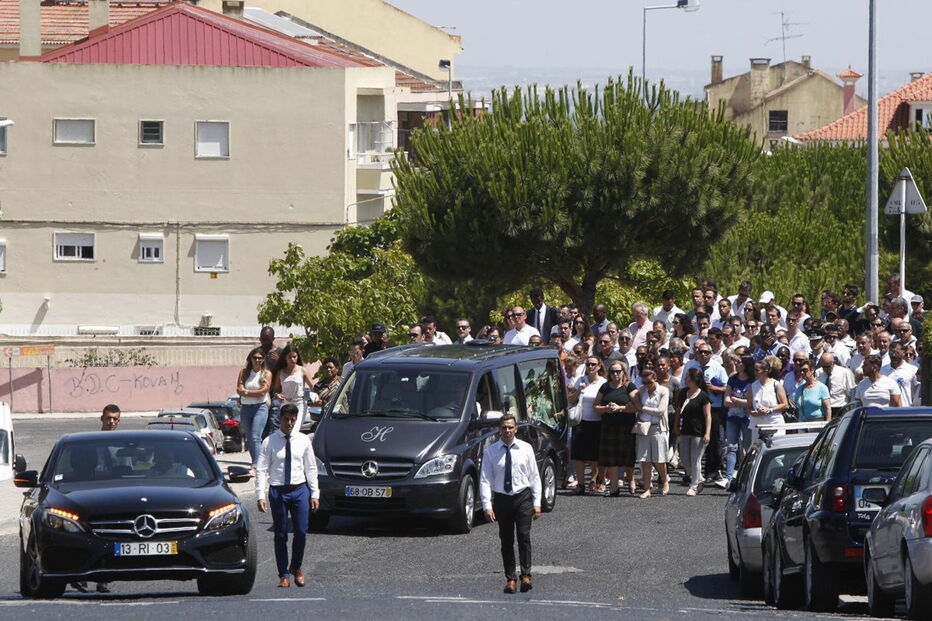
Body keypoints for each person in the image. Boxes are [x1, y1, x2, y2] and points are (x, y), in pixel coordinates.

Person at [256, 404, 320, 588]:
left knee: (301, 531)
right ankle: (283, 574)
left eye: (293, 419)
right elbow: (261, 469)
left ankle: (296, 567)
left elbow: (311, 467)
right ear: (280, 419)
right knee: (281, 534)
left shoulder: (303, 440)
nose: (290, 423)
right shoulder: (269, 442)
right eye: (286, 419)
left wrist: (315, 493)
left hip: (299, 489)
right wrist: (260, 494)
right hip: (278, 491)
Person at [479, 414, 541, 594]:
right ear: (500, 429)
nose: (507, 431)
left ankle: (526, 575)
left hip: (522, 496)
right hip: (502, 499)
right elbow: (485, 480)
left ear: (516, 429)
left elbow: (534, 477)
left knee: (523, 536)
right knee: (506, 540)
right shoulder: (491, 451)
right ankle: (510, 579)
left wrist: (537, 503)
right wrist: (486, 506)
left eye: (510, 427)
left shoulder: (526, 449)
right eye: (504, 427)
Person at [72, 405, 122, 593]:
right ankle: (80, 577)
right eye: (108, 418)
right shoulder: (90, 442)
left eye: (115, 419)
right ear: (101, 419)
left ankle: (103, 579)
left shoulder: (123, 444)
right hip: (90, 496)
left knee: (113, 537)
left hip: (116, 497)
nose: (111, 422)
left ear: (119, 421)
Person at [593, 361, 638, 496]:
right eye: (612, 371)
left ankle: (630, 480)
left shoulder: (629, 386)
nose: (615, 374)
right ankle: (613, 487)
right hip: (609, 426)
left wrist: (620, 408)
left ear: (624, 372)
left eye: (618, 371)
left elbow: (636, 406)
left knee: (627, 456)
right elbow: (596, 406)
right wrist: (606, 408)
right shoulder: (605, 387)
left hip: (626, 426)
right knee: (611, 458)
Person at [572, 356, 607, 494]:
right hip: (581, 421)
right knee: (579, 455)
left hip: (597, 422)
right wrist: (579, 390)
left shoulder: (603, 383)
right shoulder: (580, 380)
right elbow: (570, 399)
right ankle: (581, 484)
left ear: (599, 366)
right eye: (588, 364)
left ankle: (596, 480)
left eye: (593, 364)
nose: (590, 367)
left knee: (595, 456)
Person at [675, 368, 712, 497]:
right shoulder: (683, 392)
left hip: (699, 432)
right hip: (685, 430)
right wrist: (676, 426)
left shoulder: (703, 396)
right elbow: (679, 411)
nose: (685, 380)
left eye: (687, 377)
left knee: (696, 459)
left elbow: (708, 415)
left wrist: (707, 433)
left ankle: (694, 485)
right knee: (685, 459)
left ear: (694, 380)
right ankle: (699, 478)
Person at [634, 369, 670, 498]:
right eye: (644, 382)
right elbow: (633, 397)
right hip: (644, 427)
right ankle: (647, 488)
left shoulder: (663, 391)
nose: (647, 384)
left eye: (649, 382)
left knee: (659, 459)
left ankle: (664, 480)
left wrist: (642, 408)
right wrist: (636, 401)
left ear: (655, 378)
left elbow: (660, 410)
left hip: (658, 427)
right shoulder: (642, 390)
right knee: (645, 460)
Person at [237, 347, 272, 470]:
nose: (257, 360)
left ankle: (256, 465)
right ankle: (256, 461)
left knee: (256, 436)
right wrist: (252, 392)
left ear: (263, 360)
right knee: (249, 436)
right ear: (250, 358)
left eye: (260, 358)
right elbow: (238, 389)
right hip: (246, 407)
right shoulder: (244, 373)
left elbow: (263, 392)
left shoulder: (266, 374)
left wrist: (246, 392)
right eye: (255, 357)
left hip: (260, 407)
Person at [723, 356, 754, 485]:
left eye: (740, 362)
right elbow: (726, 401)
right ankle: (729, 477)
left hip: (747, 418)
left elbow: (751, 403)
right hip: (732, 417)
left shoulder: (752, 381)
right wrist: (742, 403)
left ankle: (747, 475)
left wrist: (736, 401)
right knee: (731, 446)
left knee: (748, 447)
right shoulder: (732, 379)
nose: (736, 364)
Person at [273, 344, 316, 429]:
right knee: (286, 430)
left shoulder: (302, 370)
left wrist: (312, 398)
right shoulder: (280, 372)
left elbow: (313, 387)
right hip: (286, 404)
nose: (293, 359)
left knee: (294, 430)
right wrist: (277, 395)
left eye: (294, 357)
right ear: (285, 358)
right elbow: (276, 389)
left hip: (299, 404)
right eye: (290, 357)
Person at [746, 359, 788, 433]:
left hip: (774, 424)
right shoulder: (752, 386)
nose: (754, 373)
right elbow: (749, 407)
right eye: (754, 370)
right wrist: (755, 413)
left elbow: (785, 405)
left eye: (757, 370)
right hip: (757, 425)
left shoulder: (776, 384)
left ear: (766, 371)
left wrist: (769, 410)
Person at [816, 352, 856, 418]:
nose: (825, 369)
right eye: (823, 366)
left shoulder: (845, 373)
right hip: (824, 408)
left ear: (833, 363)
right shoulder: (818, 372)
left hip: (839, 407)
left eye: (827, 367)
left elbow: (851, 392)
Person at [260, 326, 284, 435]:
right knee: (262, 427)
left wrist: (279, 361)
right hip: (260, 395)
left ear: (273, 339)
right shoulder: (257, 354)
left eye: (267, 339)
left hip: (275, 395)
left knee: (274, 423)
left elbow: (289, 370)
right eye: (262, 339)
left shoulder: (280, 353)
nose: (264, 342)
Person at [880, 342, 920, 406]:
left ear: (903, 352)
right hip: (887, 411)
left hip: (906, 410)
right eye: (891, 353)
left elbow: (917, 391)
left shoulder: (912, 370)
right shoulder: (882, 370)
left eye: (896, 352)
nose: (893, 355)